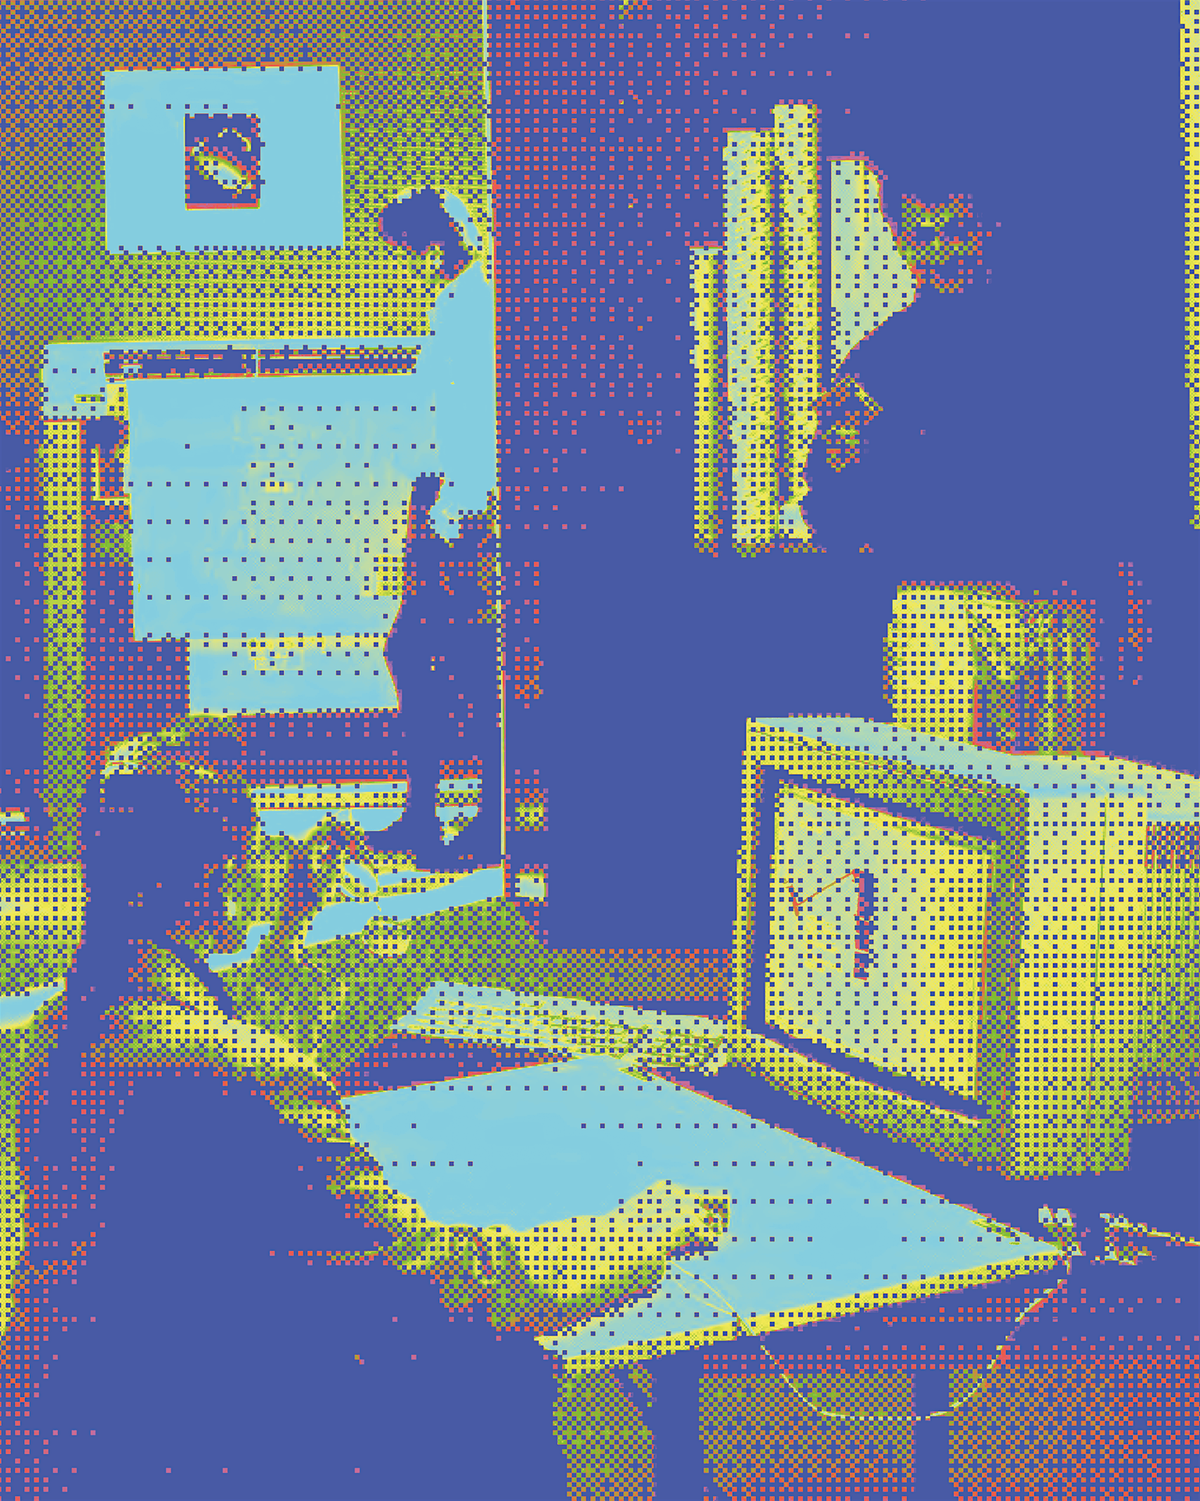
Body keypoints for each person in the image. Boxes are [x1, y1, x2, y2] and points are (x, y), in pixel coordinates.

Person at [386, 477, 499, 872]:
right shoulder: (457, 554)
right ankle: (430, 819)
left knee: (477, 732)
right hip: (438, 645)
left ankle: (480, 824)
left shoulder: (462, 559)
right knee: (439, 732)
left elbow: (431, 585)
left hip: (448, 645)